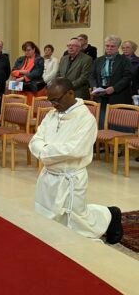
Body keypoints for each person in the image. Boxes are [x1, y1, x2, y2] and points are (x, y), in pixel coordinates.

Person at [29, 78, 123, 244]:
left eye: (56, 100)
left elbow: (74, 149)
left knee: (77, 222)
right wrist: (45, 150)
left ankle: (110, 214)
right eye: (49, 100)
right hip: (48, 175)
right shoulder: (51, 115)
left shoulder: (85, 119)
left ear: (70, 93)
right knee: (46, 215)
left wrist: (44, 151)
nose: (53, 104)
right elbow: (35, 140)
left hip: (70, 177)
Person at [91, 35, 133, 128]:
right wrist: (94, 86)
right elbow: (92, 76)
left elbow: (127, 77)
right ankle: (102, 141)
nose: (109, 48)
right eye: (107, 46)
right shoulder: (99, 60)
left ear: (117, 47)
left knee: (116, 123)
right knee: (100, 122)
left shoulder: (124, 60)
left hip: (118, 95)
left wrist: (114, 88)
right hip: (100, 95)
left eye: (112, 46)